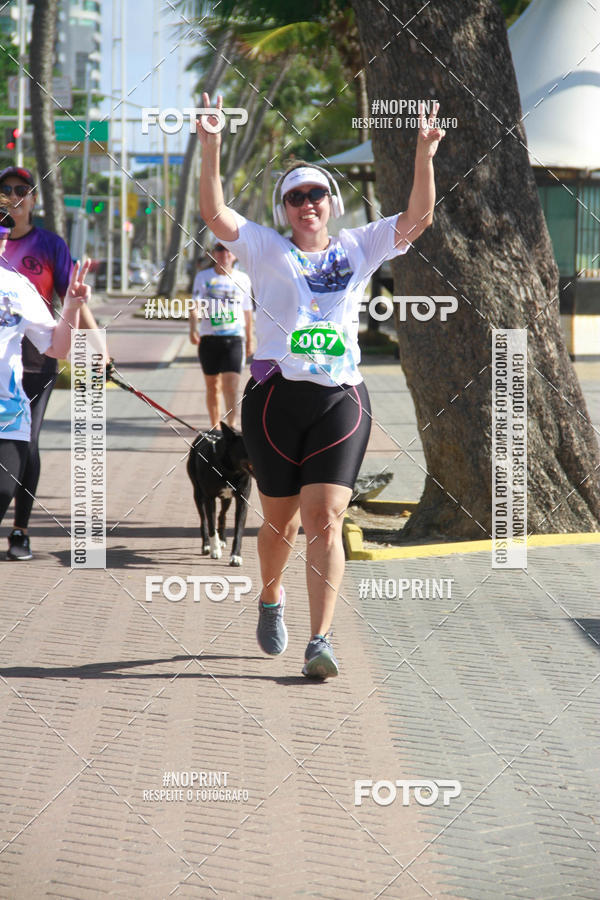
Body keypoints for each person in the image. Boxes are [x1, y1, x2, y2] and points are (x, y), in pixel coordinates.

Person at [197, 92, 445, 679]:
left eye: (316, 194)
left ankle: (320, 641)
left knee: (325, 518)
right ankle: (270, 595)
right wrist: (210, 146)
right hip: (274, 401)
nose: (307, 203)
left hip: (340, 398)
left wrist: (424, 152)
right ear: (285, 208)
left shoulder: (359, 245)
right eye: (295, 196)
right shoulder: (262, 245)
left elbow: (420, 219)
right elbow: (213, 215)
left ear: (331, 204)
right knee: (278, 523)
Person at [0, 166, 106, 560]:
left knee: (26, 443)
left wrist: (97, 345)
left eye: (21, 190)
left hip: (39, 358)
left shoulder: (49, 244)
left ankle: (20, 530)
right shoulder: (0, 239)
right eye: (6, 190)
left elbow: (71, 298)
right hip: (8, 356)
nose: (14, 196)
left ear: (33, 198)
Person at [0, 208, 90, 527]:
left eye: (3, 234)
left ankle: (20, 530)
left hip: (7, 415)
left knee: (3, 489)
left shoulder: (18, 287)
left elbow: (57, 347)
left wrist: (72, 307)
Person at [188, 243, 253, 429]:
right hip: (209, 338)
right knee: (212, 386)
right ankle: (215, 427)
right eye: (220, 249)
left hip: (234, 339)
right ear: (214, 254)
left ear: (235, 255)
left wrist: (250, 339)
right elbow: (195, 305)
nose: (224, 253)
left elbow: (247, 311)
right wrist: (193, 328)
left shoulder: (243, 279)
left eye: (228, 250)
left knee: (231, 385)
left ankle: (231, 427)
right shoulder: (203, 277)